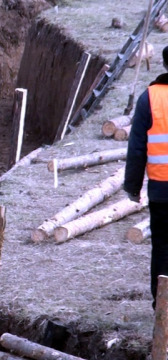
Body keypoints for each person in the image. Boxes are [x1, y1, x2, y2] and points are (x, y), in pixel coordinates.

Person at [124, 45, 168, 309]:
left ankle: (162, 308)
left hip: (161, 192)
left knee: (162, 247)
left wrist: (132, 186)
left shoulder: (149, 98)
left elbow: (137, 147)